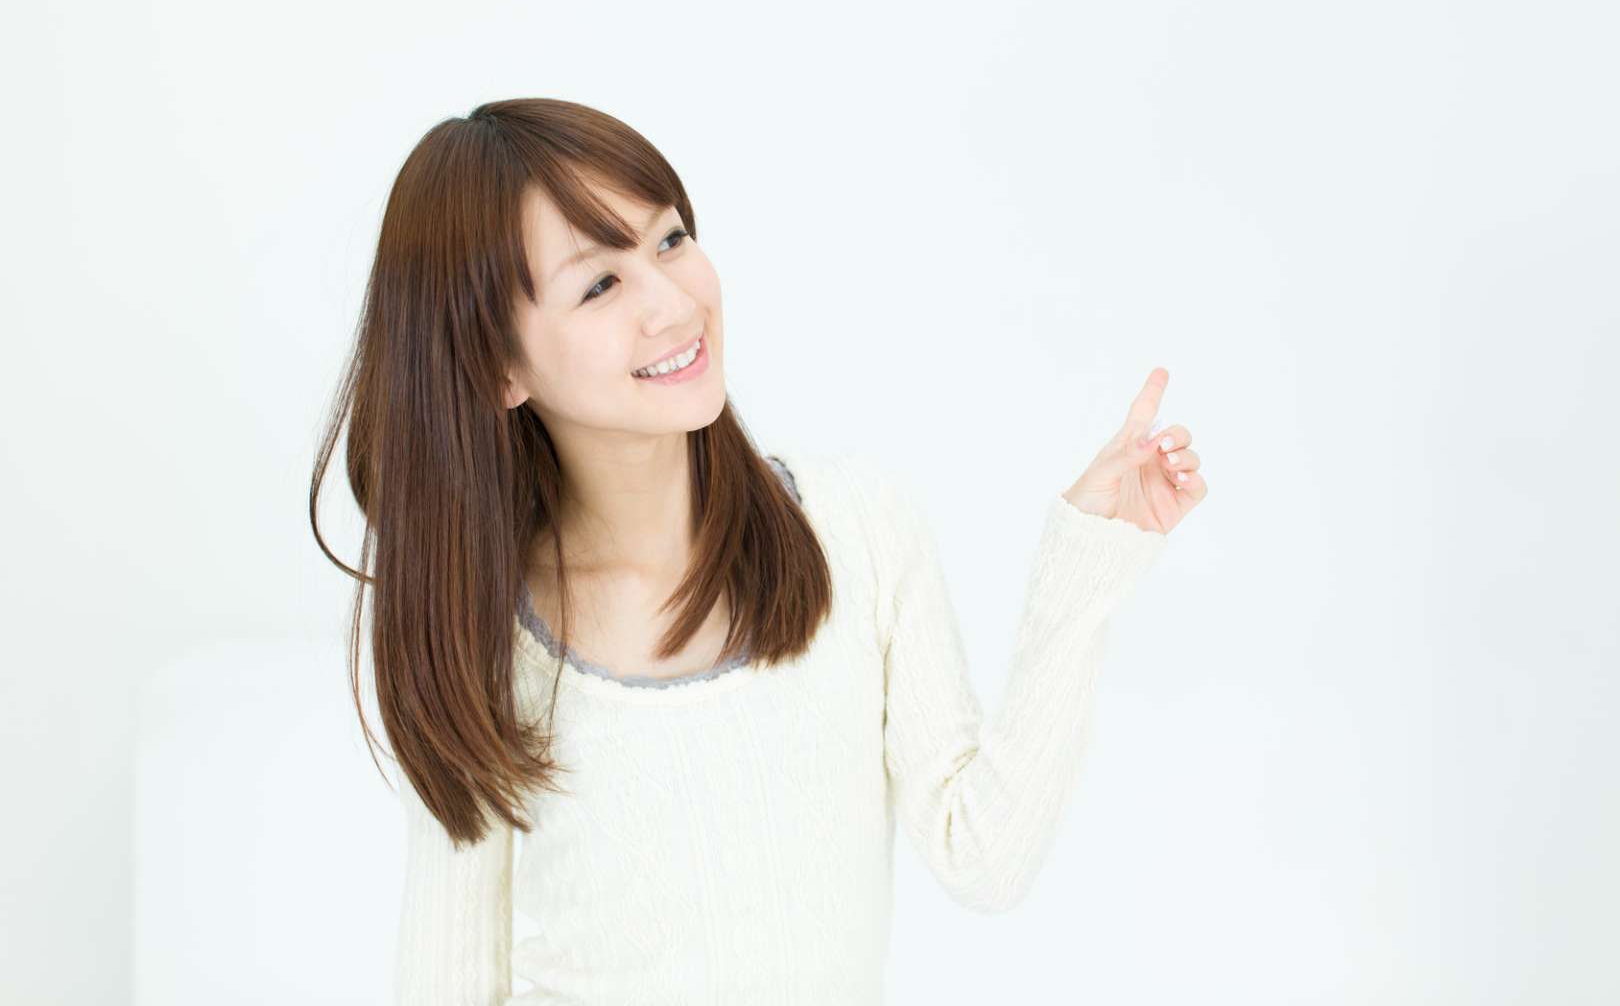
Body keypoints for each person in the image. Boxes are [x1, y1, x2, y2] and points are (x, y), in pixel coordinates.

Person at [308, 97, 1208, 1005]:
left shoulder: (857, 524)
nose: (673, 303)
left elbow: (984, 856)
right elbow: (449, 979)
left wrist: (1088, 557)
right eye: (600, 284)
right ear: (498, 364)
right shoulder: (482, 636)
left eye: (669, 240)